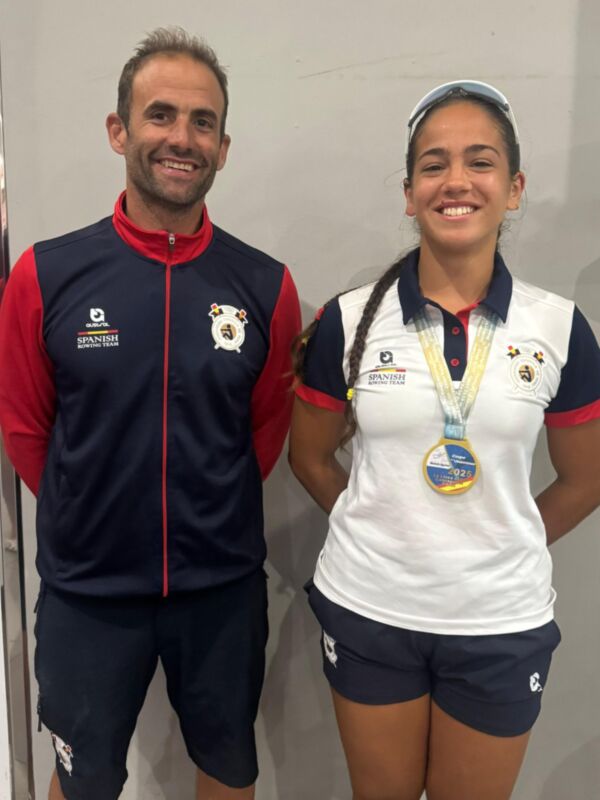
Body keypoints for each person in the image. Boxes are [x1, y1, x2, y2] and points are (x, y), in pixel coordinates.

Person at [0, 27, 300, 800]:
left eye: (203, 122)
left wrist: (201, 506)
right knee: (82, 780)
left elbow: (263, 430)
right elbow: (29, 431)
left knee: (228, 770)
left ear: (223, 147)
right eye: (160, 115)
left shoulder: (265, 286)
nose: (182, 137)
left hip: (221, 589)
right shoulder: (46, 274)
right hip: (88, 594)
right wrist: (93, 510)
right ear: (119, 131)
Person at [289, 80, 600, 800]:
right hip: (371, 610)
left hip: (499, 621)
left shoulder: (558, 328)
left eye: (480, 162)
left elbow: (586, 480)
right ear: (408, 192)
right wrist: (385, 526)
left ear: (514, 187)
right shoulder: (348, 320)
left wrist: (501, 540)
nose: (455, 181)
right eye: (433, 164)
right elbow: (308, 457)